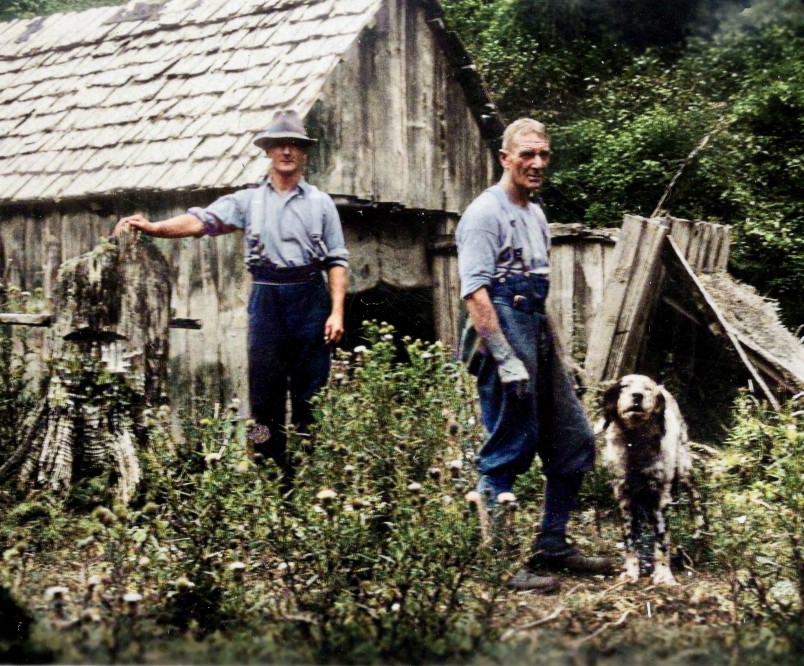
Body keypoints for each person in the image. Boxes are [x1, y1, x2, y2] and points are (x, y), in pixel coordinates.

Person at [115, 110, 349, 478]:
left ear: (303, 154)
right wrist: (154, 228)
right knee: (263, 397)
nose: (286, 152)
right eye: (279, 145)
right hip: (267, 299)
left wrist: (336, 312)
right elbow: (199, 220)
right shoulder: (248, 201)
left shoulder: (321, 203)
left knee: (311, 396)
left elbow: (337, 260)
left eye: (294, 146)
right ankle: (267, 472)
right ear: (268, 152)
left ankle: (310, 476)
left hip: (310, 300)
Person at [456, 118, 612, 592]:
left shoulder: (536, 213)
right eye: (527, 154)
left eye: (544, 154)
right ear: (505, 158)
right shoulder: (484, 213)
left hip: (536, 330)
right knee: (510, 442)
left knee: (574, 437)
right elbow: (476, 294)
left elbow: (538, 297)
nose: (537, 163)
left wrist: (555, 355)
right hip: (499, 330)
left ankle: (553, 543)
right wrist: (505, 357)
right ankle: (498, 563)